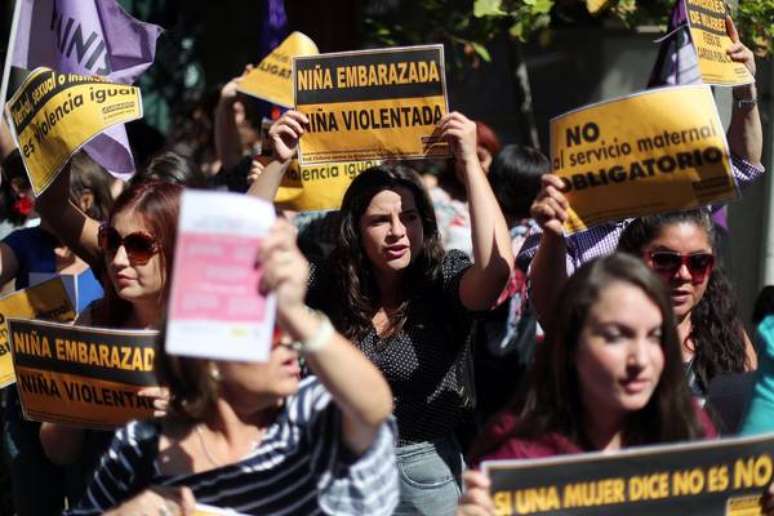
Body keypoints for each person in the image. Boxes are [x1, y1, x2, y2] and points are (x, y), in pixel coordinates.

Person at [252, 110, 514, 514]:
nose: (397, 231)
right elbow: (243, 253)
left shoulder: (444, 278)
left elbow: (497, 270)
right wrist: (277, 162)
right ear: (354, 230)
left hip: (425, 472)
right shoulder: (330, 282)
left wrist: (469, 168)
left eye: (409, 218)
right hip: (341, 465)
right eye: (379, 220)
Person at [68, 219, 399, 515]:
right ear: (209, 357)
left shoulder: (308, 412)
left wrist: (294, 311)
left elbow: (373, 407)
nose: (289, 341)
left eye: (289, 327)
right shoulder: (143, 444)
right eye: (269, 329)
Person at [519, 20, 763, 324]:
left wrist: (744, 90)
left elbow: (742, 164)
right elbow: (550, 306)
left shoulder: (673, 205)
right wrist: (553, 236)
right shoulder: (563, 230)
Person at [459, 253, 716, 514]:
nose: (640, 359)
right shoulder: (516, 462)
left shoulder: (689, 429)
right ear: (572, 345)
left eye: (654, 337)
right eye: (616, 337)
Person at [32, 176, 182, 507]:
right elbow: (58, 452)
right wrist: (75, 394)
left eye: (139, 247)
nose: (118, 260)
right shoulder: (94, 320)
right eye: (111, 241)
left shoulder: (207, 335)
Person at [617, 210, 756, 400]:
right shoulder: (607, 337)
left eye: (699, 261)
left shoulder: (729, 334)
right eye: (665, 260)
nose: (684, 274)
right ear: (632, 261)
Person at [430, 120, 502, 257]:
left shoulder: (503, 203)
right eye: (463, 157)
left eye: (479, 158)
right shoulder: (435, 199)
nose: (470, 166)